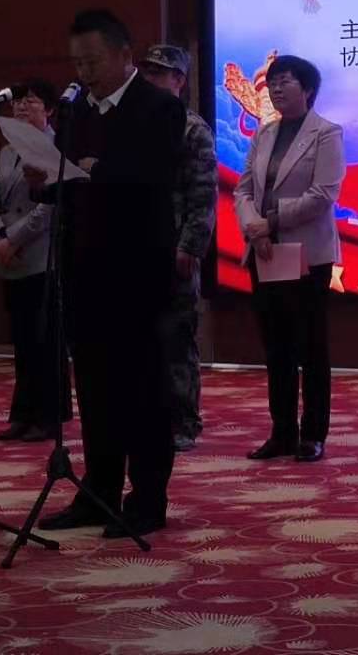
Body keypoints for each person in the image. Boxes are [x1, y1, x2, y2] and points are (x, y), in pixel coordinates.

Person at [31, 9, 186, 539]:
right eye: (77, 63)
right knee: (95, 389)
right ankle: (98, 492)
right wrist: (44, 179)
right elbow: (68, 181)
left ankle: (147, 499)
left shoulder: (159, 107)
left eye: (92, 61)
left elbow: (154, 176)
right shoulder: (76, 112)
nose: (84, 72)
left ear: (124, 55)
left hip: (139, 272)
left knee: (143, 388)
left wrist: (97, 171)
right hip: (83, 269)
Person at [234, 55, 345, 464]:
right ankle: (281, 432)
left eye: (286, 81)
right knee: (276, 346)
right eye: (274, 82)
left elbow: (323, 195)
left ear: (308, 89)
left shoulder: (326, 133)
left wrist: (272, 222)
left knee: (310, 347)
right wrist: (255, 228)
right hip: (264, 251)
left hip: (307, 254)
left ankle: (313, 434)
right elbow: (243, 189)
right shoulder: (265, 134)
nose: (277, 88)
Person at [139, 44, 218, 453]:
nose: (150, 79)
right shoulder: (136, 123)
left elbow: (203, 195)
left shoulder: (192, 129)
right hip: (139, 247)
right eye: (147, 72)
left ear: (180, 80)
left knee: (176, 338)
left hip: (176, 250)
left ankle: (183, 421)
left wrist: (190, 246)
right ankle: (148, 417)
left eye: (160, 73)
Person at [0, 79, 71, 443]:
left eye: (31, 101)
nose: (22, 107)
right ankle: (23, 413)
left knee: (45, 338)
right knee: (21, 339)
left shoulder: (56, 146)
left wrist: (15, 238)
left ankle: (49, 416)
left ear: (49, 109)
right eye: (18, 102)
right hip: (9, 255)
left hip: (41, 254)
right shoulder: (8, 150)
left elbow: (49, 206)